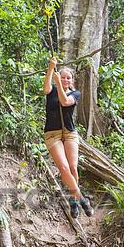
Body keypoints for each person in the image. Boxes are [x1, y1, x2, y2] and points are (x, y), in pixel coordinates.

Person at [43, 57, 93, 218]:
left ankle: (73, 200)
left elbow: (65, 102)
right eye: (62, 77)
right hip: (53, 134)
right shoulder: (51, 91)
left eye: (68, 78)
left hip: (70, 134)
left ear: (72, 80)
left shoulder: (75, 93)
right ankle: (82, 199)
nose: (65, 80)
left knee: (72, 167)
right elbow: (45, 88)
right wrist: (51, 68)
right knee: (63, 168)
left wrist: (59, 84)